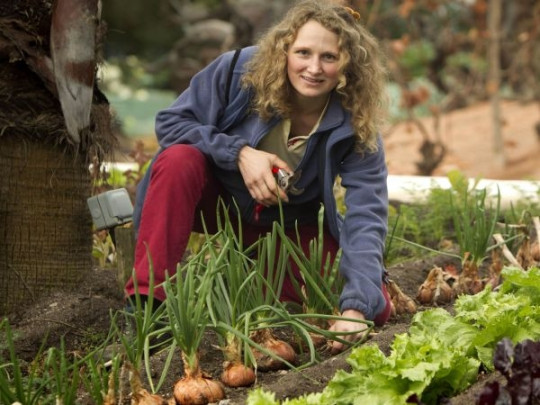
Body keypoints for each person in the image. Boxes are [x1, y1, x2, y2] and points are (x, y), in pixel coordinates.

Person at [126, 0, 392, 353]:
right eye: (303, 52)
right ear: (284, 49)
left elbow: (366, 214)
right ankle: (149, 308)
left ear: (347, 65)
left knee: (371, 306)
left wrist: (357, 306)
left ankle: (240, 286)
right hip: (215, 200)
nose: (314, 68)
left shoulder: (355, 124)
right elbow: (172, 124)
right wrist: (239, 154)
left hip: (285, 223)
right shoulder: (239, 72)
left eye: (329, 57)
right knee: (179, 159)